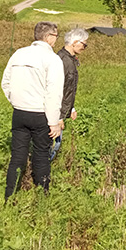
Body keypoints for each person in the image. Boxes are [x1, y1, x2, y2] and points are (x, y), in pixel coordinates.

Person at [1, 21, 64, 199]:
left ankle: (10, 195)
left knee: (17, 156)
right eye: (56, 36)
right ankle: (42, 196)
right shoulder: (52, 59)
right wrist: (54, 122)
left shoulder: (19, 54)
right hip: (40, 114)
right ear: (50, 37)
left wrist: (16, 101)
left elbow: (5, 82)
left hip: (19, 112)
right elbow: (53, 93)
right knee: (41, 155)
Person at [51, 27, 89, 161]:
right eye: (84, 44)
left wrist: (71, 107)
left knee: (55, 144)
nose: (85, 47)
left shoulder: (70, 59)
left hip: (61, 110)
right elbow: (56, 90)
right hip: (54, 113)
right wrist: (59, 117)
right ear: (75, 42)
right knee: (52, 146)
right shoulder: (62, 60)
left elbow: (69, 88)